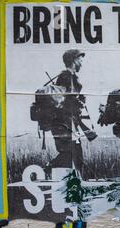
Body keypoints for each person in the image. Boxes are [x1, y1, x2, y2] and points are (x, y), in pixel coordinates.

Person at [48, 49, 89, 178]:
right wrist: (78, 101)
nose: (82, 63)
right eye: (80, 60)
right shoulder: (66, 76)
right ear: (74, 60)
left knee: (76, 154)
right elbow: (64, 102)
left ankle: (77, 184)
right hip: (64, 123)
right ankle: (49, 168)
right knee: (69, 154)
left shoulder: (70, 77)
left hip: (70, 123)